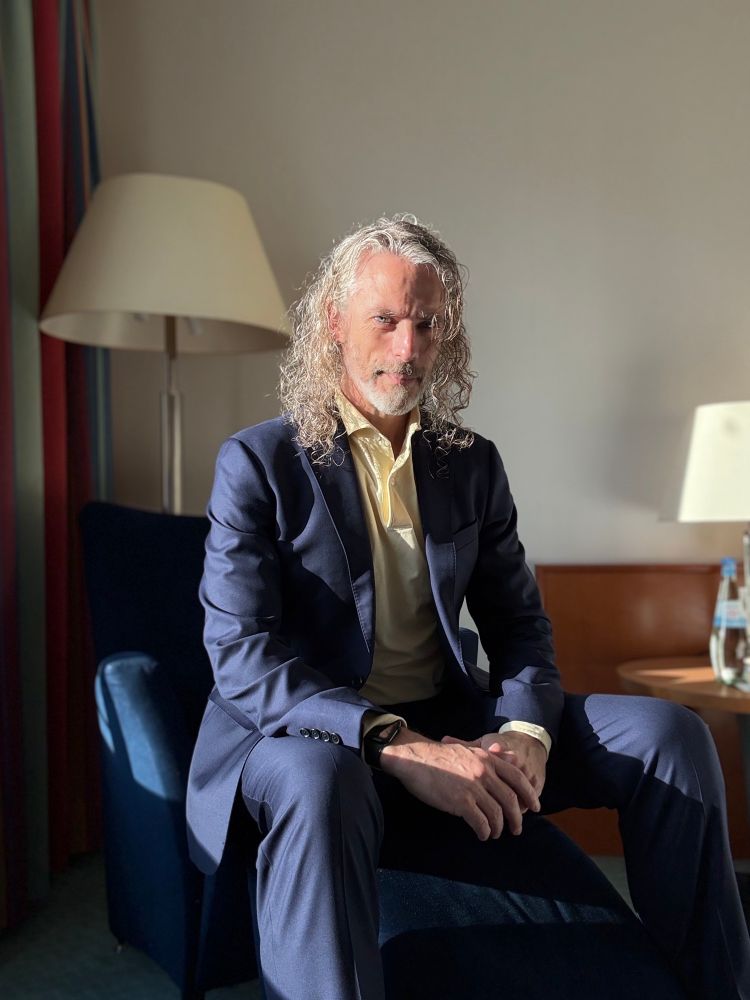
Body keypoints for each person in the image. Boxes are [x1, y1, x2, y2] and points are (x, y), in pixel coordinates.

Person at [187, 214, 750, 1000]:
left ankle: (708, 986)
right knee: (320, 782)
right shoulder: (259, 462)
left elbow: (519, 626)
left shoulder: (471, 464)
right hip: (314, 738)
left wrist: (522, 730)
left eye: (427, 324)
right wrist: (398, 743)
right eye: (386, 320)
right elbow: (242, 658)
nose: (407, 347)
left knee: (671, 734)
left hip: (455, 720)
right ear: (334, 324)